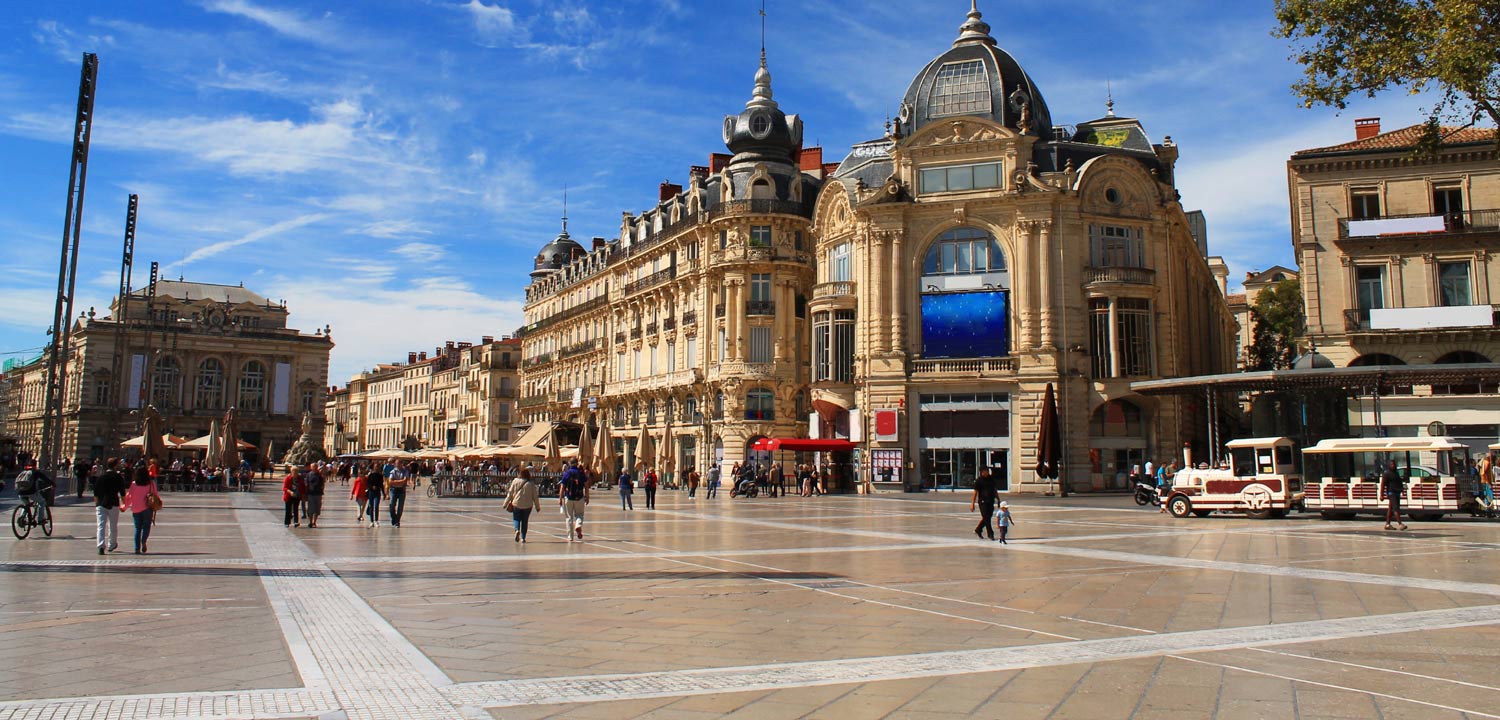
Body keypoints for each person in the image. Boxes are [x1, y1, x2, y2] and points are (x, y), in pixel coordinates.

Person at [123, 467, 160, 554]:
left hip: (136, 508)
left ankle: (136, 548)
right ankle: (143, 541)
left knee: (137, 528)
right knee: (146, 526)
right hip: (147, 508)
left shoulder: (134, 484)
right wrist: (158, 503)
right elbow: (155, 494)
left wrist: (124, 506)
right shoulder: (151, 483)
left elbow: (129, 497)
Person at [93, 458, 126, 554]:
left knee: (101, 526)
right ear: (115, 466)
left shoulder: (101, 477)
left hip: (101, 503)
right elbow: (122, 493)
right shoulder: (118, 477)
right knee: (113, 525)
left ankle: (101, 546)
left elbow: (95, 492)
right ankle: (112, 544)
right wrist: (124, 504)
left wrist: (96, 504)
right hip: (114, 503)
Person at [504, 467, 542, 542]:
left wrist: (505, 503)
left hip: (517, 504)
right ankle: (523, 537)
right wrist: (537, 507)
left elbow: (510, 493)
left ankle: (517, 530)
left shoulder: (515, 481)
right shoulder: (531, 483)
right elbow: (535, 496)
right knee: (525, 521)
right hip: (528, 505)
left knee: (516, 518)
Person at [13, 462, 55, 527]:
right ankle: (41, 519)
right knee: (42, 502)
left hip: (20, 492)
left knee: (26, 505)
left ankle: (22, 518)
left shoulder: (23, 472)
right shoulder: (35, 472)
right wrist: (52, 484)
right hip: (31, 492)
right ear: (35, 465)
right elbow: (45, 479)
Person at [559, 460, 590, 542]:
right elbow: (586, 486)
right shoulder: (581, 473)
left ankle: (570, 536)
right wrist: (587, 497)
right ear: (577, 463)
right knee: (579, 514)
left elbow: (562, 487)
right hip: (579, 497)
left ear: (569, 464)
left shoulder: (567, 473)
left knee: (569, 517)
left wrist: (560, 498)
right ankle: (578, 525)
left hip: (568, 497)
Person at [969, 466, 1000, 540]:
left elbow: (995, 490)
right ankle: (990, 534)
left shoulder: (991, 479)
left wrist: (998, 499)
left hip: (991, 500)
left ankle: (978, 530)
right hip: (983, 502)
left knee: (987, 517)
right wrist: (972, 503)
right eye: (984, 471)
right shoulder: (979, 481)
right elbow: (975, 492)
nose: (986, 472)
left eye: (987, 470)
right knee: (986, 517)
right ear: (981, 472)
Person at [1381, 460, 1408, 530]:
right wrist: (1382, 495)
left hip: (1397, 492)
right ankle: (1400, 524)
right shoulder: (1386, 473)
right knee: (1396, 508)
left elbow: (1398, 482)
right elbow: (1383, 484)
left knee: (1390, 509)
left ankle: (1387, 524)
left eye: (1394, 464)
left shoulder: (1396, 473)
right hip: (1391, 493)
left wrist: (1402, 489)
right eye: (1392, 464)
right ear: (1389, 465)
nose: (1393, 466)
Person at [387, 461, 411, 528]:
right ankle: (394, 518)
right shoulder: (393, 471)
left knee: (400, 507)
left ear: (401, 464)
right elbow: (390, 482)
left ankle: (397, 521)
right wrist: (400, 482)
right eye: (396, 464)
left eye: (399, 463)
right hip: (393, 490)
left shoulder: (405, 471)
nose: (398, 465)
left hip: (401, 490)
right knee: (391, 505)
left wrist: (395, 481)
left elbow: (405, 480)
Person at [304, 463, 326, 529]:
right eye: (313, 467)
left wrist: (322, 492)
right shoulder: (308, 475)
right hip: (310, 494)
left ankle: (314, 522)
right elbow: (306, 484)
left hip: (318, 494)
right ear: (311, 468)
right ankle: (310, 522)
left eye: (316, 467)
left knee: (317, 509)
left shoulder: (320, 476)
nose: (315, 468)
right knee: (310, 509)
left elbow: (323, 484)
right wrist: (305, 494)